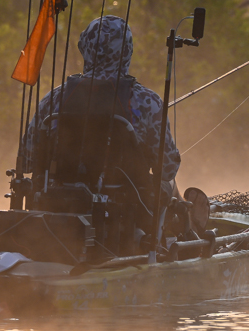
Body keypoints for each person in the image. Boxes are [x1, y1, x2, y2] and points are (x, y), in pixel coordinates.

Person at [20, 15, 180, 196]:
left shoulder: (54, 99)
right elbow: (168, 169)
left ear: (85, 48)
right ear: (127, 51)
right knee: (170, 185)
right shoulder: (148, 102)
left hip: (56, 201)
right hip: (124, 205)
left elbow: (26, 161)